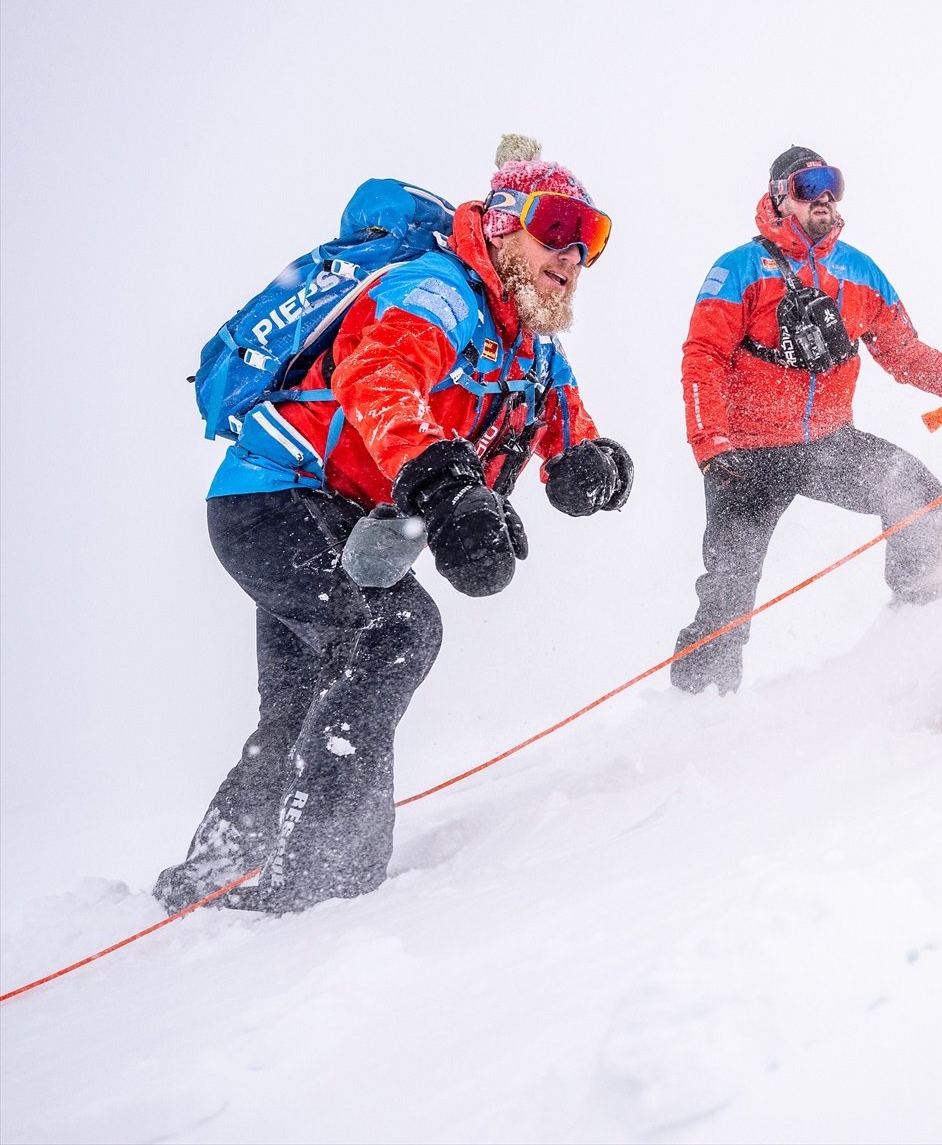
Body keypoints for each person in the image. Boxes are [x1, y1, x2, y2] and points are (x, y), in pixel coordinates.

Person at [154, 136, 632, 915]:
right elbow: (379, 377)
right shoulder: (437, 290)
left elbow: (567, 430)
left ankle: (214, 871)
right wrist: (448, 490)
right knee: (394, 633)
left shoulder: (531, 348)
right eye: (559, 226)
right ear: (504, 222)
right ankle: (323, 883)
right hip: (273, 502)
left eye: (594, 237)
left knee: (307, 696)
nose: (575, 252)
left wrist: (593, 469)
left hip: (352, 526)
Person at [672, 146, 942, 694]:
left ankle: (915, 621)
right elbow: (702, 359)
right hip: (746, 455)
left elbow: (903, 351)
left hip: (825, 445)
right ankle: (699, 702)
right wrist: (711, 443)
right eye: (810, 186)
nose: (824, 197)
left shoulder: (859, 270)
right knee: (729, 586)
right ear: (781, 196)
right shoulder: (737, 269)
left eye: (833, 183)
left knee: (917, 493)